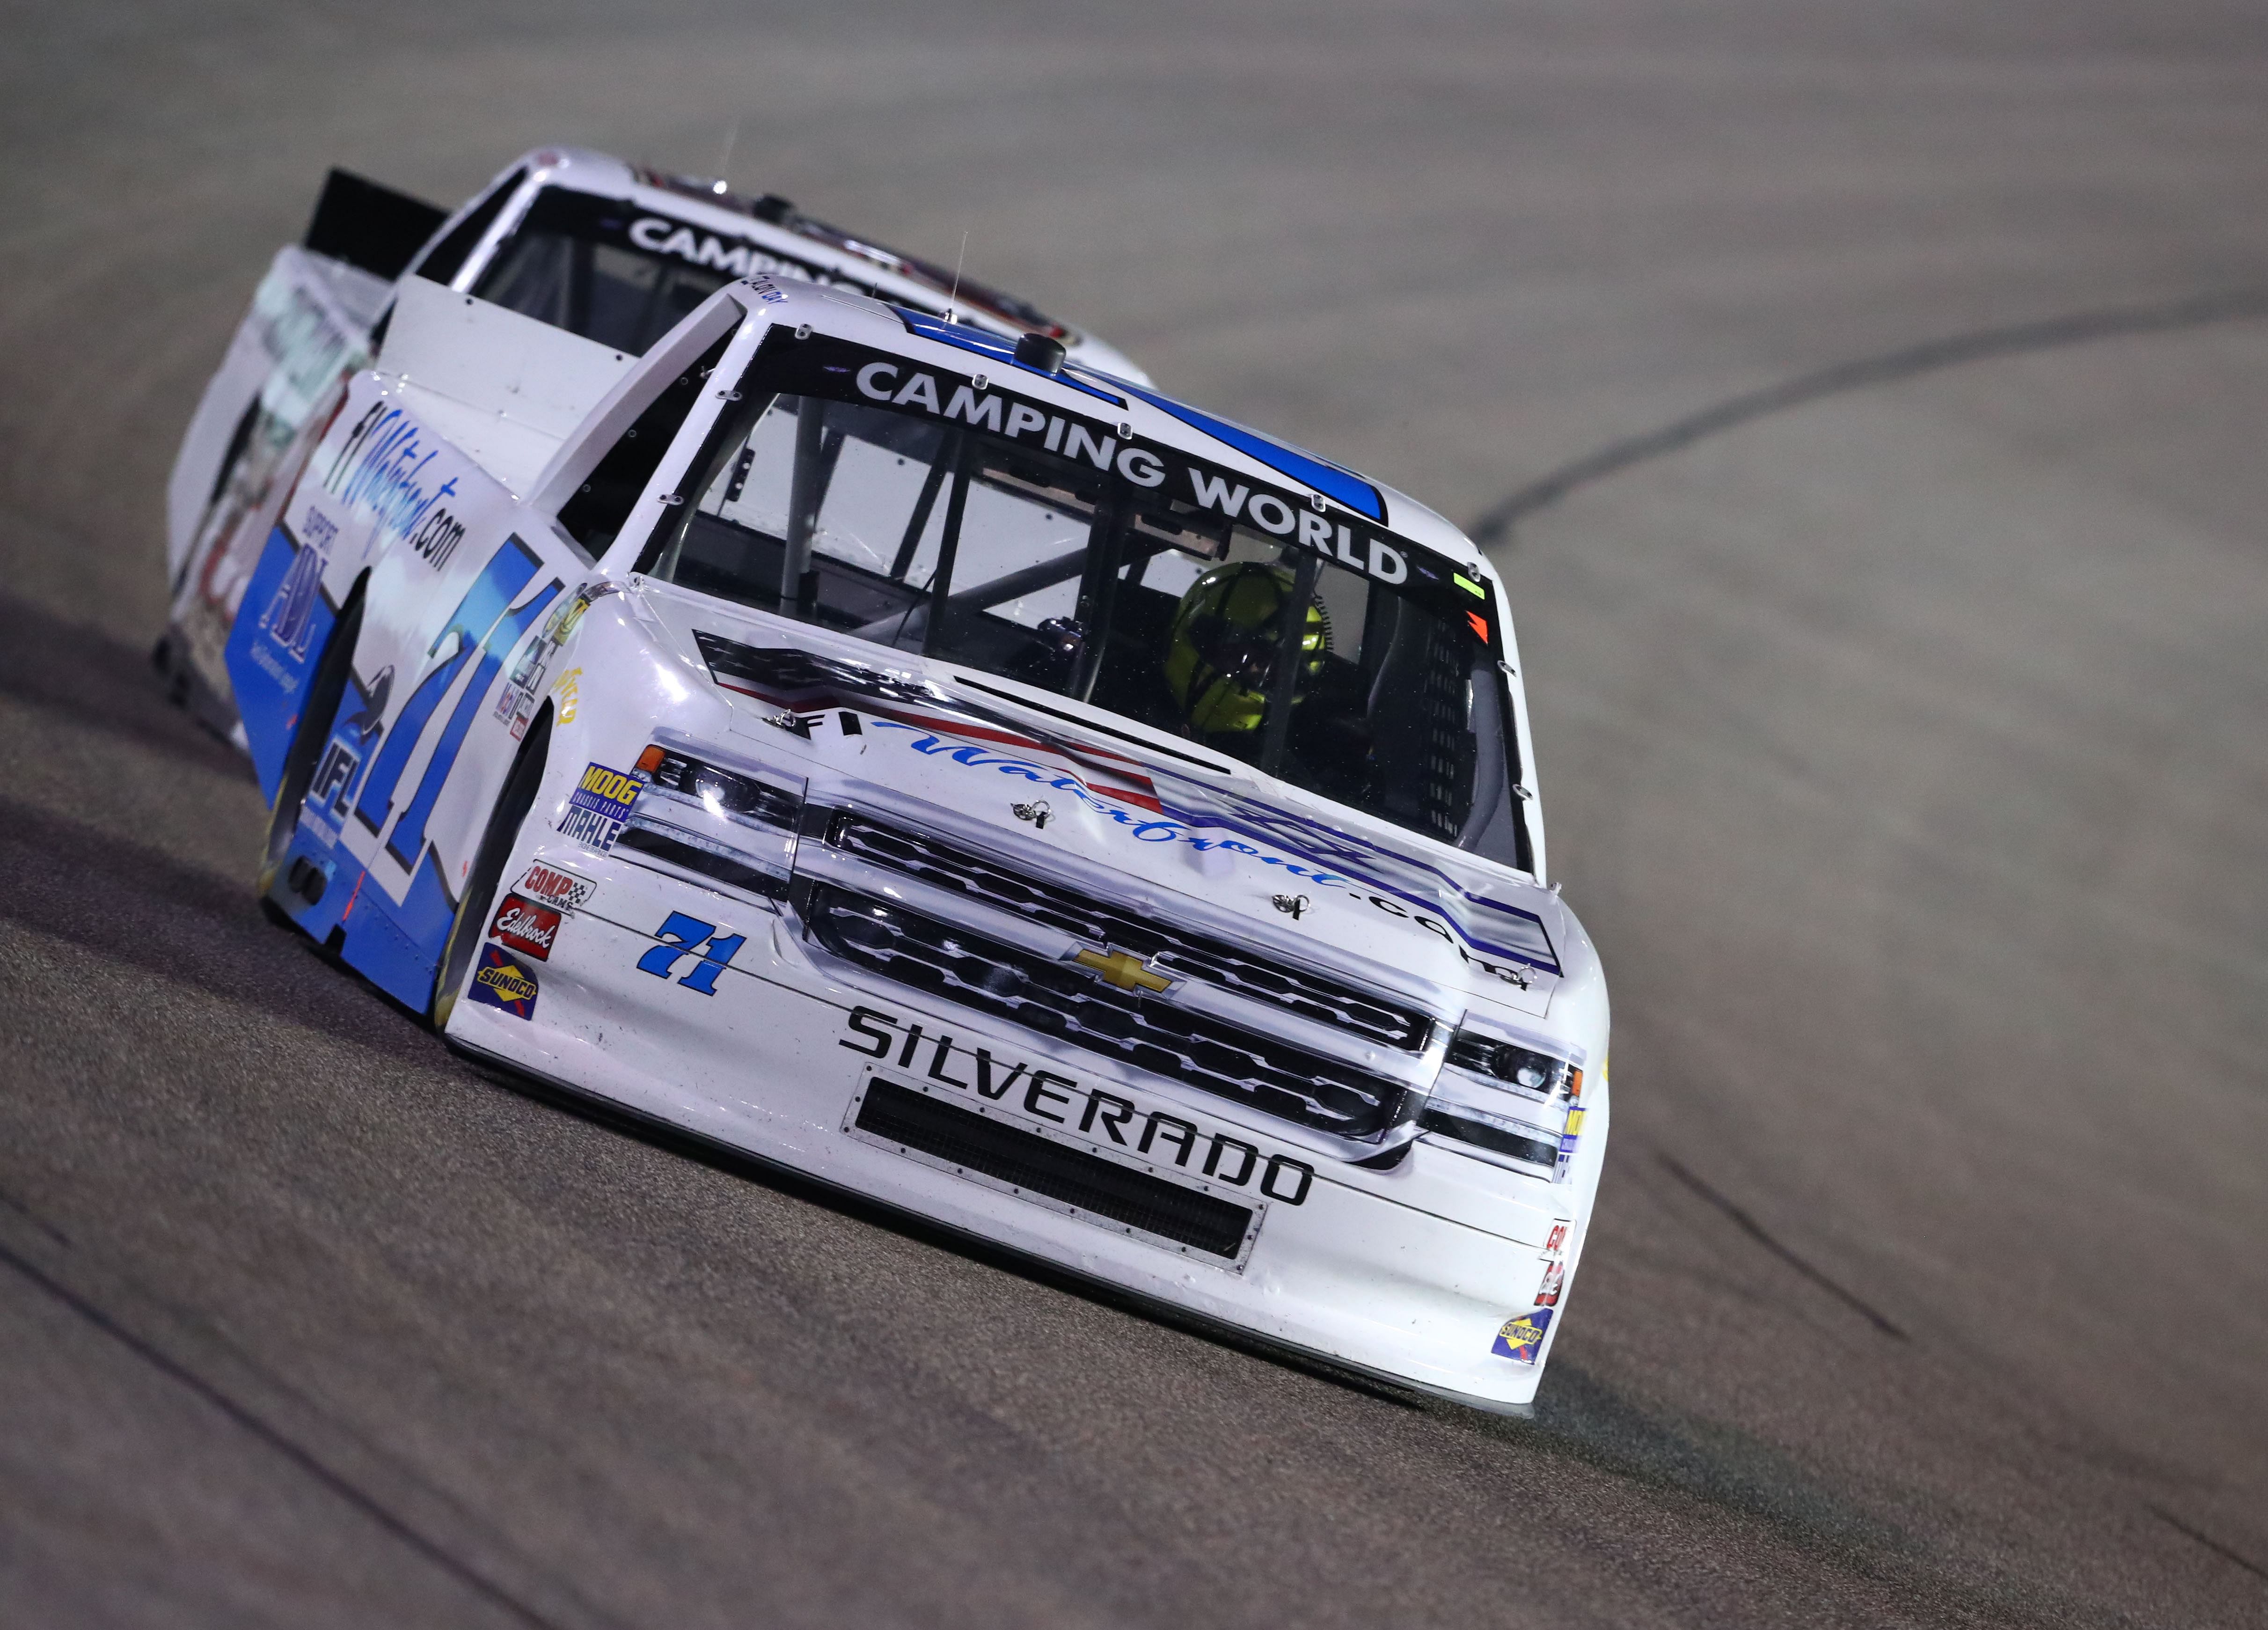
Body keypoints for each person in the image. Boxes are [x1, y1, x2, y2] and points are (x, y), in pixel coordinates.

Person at [1161, 560, 1332, 745]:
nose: (1254, 671)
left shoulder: (1276, 771)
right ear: (1204, 639)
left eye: (1272, 672)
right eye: (1239, 653)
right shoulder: (1128, 695)